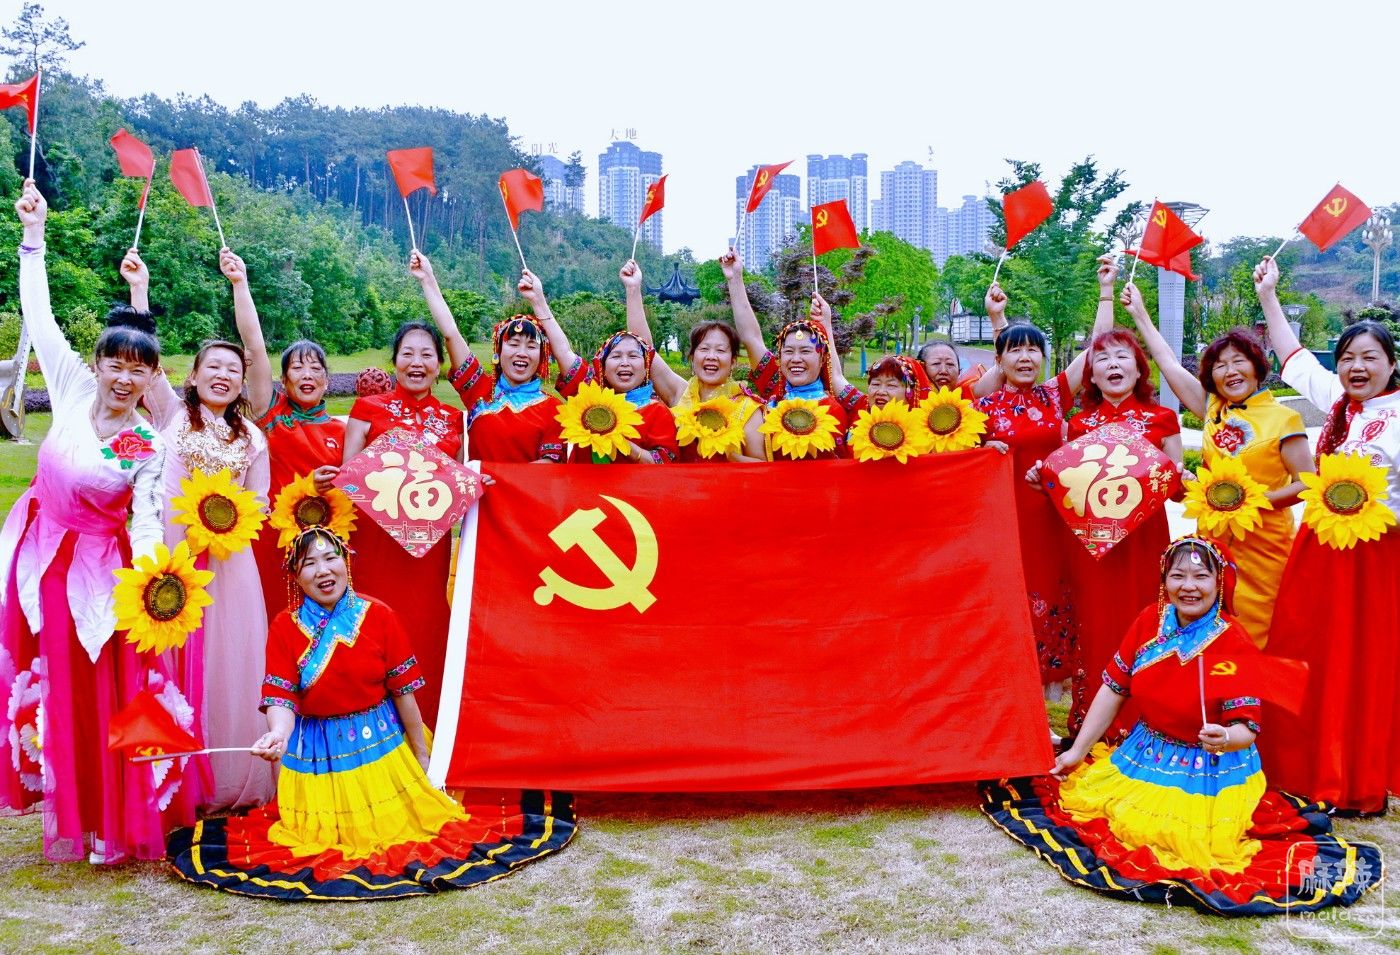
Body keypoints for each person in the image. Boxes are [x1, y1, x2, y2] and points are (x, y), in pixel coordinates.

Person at [166, 526, 575, 899]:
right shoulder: (285, 627)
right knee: (323, 842)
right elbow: (281, 697)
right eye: (309, 563)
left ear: (346, 562)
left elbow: (404, 692)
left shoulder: (378, 615)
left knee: (409, 829)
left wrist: (421, 755)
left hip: (380, 747)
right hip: (316, 752)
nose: (323, 571)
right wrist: (278, 735)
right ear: (294, 576)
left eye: (331, 558)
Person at [982, 536, 1383, 915]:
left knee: (1169, 839)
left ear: (1219, 582)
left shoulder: (1234, 643)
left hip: (1208, 767)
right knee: (1100, 812)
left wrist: (1225, 737)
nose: (1188, 586)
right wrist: (1077, 751)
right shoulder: (1149, 621)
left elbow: (1247, 730)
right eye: (1177, 576)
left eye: (1200, 576)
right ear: (1165, 580)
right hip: (1145, 751)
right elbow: (1113, 689)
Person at [0, 180, 198, 863]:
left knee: (103, 690)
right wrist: (33, 237)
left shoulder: (143, 440)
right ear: (98, 362)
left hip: (100, 574)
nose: (123, 378)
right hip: (39, 557)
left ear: (150, 378)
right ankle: (69, 807)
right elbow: (39, 313)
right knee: (54, 682)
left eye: (139, 370)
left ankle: (111, 821)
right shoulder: (71, 387)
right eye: (116, 363)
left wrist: (150, 579)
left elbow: (144, 519)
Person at [1254, 255, 1400, 815]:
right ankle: (1299, 761)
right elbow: (1292, 357)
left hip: (1373, 557)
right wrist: (1269, 294)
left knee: (1360, 661)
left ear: (1391, 364)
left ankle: (1356, 773)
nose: (1356, 367)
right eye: (1347, 358)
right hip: (1317, 551)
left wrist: (1376, 511)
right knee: (1305, 648)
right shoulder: (1338, 405)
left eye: (1369, 357)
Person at [131, 253, 275, 813]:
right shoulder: (170, 414)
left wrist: (226, 524)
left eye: (233, 370)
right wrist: (140, 290)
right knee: (172, 658)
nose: (224, 375)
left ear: (241, 382)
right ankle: (171, 778)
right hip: (172, 555)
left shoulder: (251, 438)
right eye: (213, 366)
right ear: (192, 376)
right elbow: (145, 358)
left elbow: (258, 502)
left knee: (229, 663)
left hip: (229, 565)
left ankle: (229, 775)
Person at [1126, 285, 1311, 649]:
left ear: (1257, 366)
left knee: (1260, 633)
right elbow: (1168, 363)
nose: (1230, 371)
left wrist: (1251, 503)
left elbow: (1307, 483)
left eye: (1238, 361)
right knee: (1211, 629)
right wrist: (1140, 313)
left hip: (1265, 547)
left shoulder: (1285, 419)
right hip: (1211, 545)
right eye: (1220, 365)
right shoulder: (1213, 410)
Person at [975, 258, 1116, 690]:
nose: (1025, 357)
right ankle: (1008, 676)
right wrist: (983, 449)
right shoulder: (982, 404)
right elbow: (955, 447)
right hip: (1004, 518)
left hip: (1053, 517)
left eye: (1033, 350)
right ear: (999, 359)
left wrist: (1106, 292)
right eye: (1015, 350)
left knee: (1053, 590)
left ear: (1043, 357)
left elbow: (1095, 349)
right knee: (1008, 592)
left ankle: (1049, 680)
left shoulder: (1054, 395)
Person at [1056, 321, 1184, 734]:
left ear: (1139, 368)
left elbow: (1177, 491)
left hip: (1144, 541)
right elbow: (1068, 489)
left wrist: (1181, 479)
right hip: (1091, 546)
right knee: (1093, 622)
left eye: (1122, 356)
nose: (1112, 364)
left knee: (1146, 619)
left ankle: (1145, 722)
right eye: (1103, 358)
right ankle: (1093, 725)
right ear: (1091, 376)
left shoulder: (1163, 419)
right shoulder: (1078, 425)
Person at [342, 319, 464, 728]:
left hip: (427, 550)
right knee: (373, 624)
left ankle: (431, 727)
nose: (417, 362)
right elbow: (348, 473)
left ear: (439, 365)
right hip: (374, 543)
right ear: (394, 361)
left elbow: (457, 485)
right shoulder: (367, 409)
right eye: (407, 353)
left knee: (425, 624)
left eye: (427, 354)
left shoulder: (453, 418)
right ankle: (371, 728)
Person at [217, 249, 346, 625]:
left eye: (315, 368)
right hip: (272, 540)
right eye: (297, 368)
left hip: (328, 548)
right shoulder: (271, 413)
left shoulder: (343, 431)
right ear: (284, 381)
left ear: (326, 381)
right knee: (274, 619)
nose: (307, 375)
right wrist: (240, 284)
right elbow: (254, 348)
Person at [410, 250, 564, 464]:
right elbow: (451, 333)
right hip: (479, 487)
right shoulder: (479, 389)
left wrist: (499, 478)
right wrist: (428, 279)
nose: (521, 352)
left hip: (522, 488)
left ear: (542, 357)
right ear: (498, 352)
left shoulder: (553, 409)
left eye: (531, 346)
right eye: (513, 344)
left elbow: (551, 466)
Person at [528, 270, 678, 464]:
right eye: (616, 356)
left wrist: (618, 440)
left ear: (646, 367)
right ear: (603, 367)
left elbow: (665, 465)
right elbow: (564, 352)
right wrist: (538, 301)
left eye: (633, 356)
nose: (625, 362)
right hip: (583, 484)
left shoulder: (657, 412)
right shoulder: (589, 394)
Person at [624, 255, 764, 462]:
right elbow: (645, 349)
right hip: (680, 484)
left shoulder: (746, 407)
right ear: (692, 357)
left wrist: (727, 453)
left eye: (721, 351)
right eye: (704, 349)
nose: (711, 356)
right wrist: (633, 290)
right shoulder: (681, 394)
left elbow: (763, 468)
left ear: (733, 361)